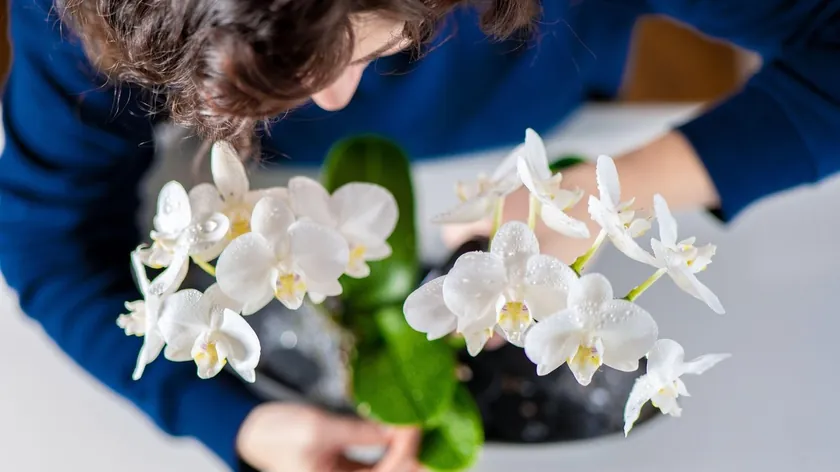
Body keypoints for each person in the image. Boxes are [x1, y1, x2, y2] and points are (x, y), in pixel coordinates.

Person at [0, 0, 837, 470]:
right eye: (270, 85)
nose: (332, 99)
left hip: (544, 105)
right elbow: (48, 239)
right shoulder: (81, 11)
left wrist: (590, 200)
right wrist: (240, 426)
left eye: (356, 47)